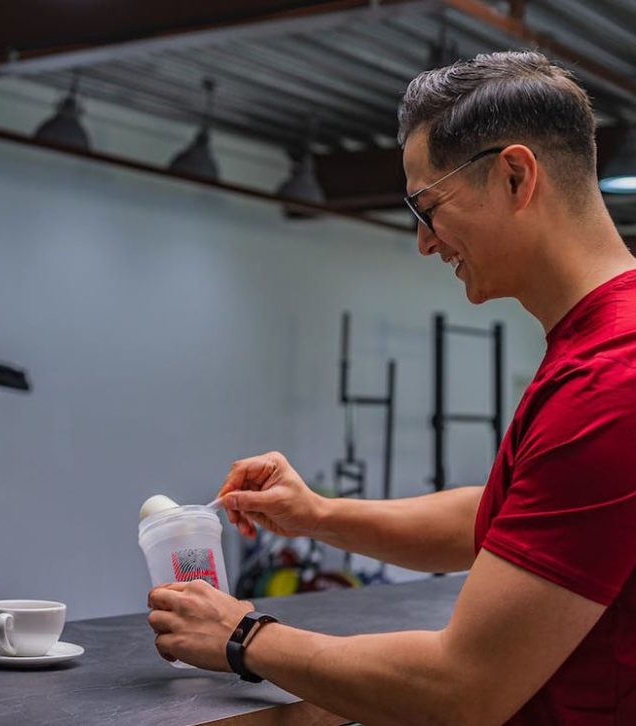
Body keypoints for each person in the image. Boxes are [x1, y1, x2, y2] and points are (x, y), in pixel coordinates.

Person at [148, 51, 636, 724]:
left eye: (428, 206)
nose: (424, 243)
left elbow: (463, 688)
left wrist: (242, 637)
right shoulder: (605, 343)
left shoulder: (612, 380)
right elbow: (511, 514)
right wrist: (315, 514)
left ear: (516, 176)